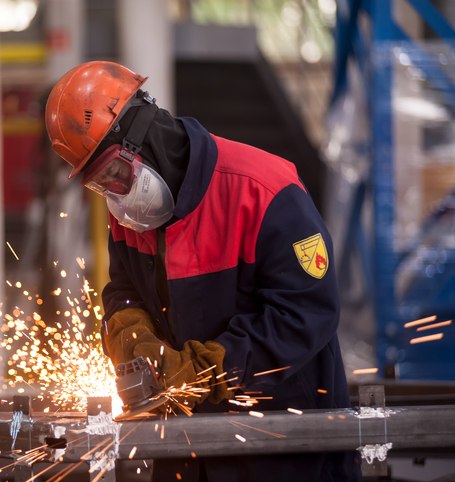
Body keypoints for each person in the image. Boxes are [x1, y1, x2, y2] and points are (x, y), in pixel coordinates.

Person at [45, 61, 361, 482]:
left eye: (116, 174)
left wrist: (207, 369)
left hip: (283, 449)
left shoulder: (264, 190)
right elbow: (123, 292)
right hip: (184, 452)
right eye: (102, 185)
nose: (116, 195)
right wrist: (132, 338)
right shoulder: (129, 218)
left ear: (144, 135)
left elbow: (306, 313)